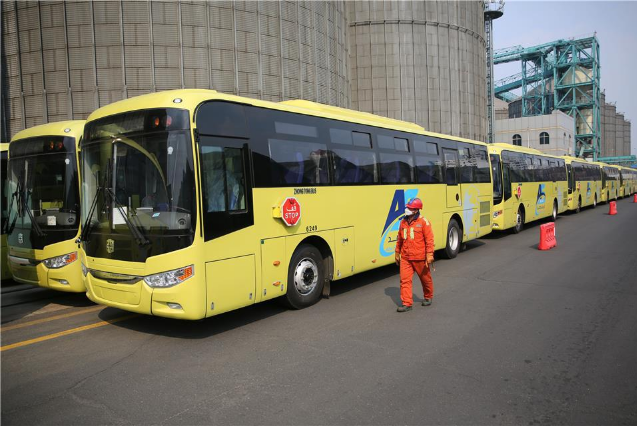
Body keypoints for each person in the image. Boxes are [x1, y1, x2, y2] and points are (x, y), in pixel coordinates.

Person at [394, 197, 435, 312]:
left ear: (416, 210)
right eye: (407, 207)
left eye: (410, 208)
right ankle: (407, 303)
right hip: (406, 257)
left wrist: (429, 255)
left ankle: (428, 296)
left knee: (425, 279)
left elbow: (429, 240)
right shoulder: (403, 222)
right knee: (404, 280)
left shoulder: (423, 222)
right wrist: (397, 252)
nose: (407, 209)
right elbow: (399, 239)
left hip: (420, 257)